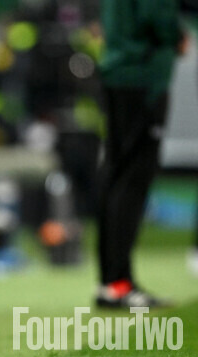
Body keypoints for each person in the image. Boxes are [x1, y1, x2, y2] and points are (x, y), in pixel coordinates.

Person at [96, 0, 187, 307]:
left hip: (120, 69)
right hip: (141, 74)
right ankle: (118, 283)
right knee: (133, 178)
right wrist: (176, 35)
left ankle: (112, 283)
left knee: (117, 174)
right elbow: (156, 15)